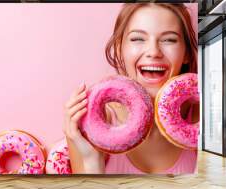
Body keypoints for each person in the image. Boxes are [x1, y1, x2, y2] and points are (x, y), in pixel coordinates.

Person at [63, 3, 198, 174]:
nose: (153, 52)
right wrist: (92, 160)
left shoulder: (201, 118)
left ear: (186, 52)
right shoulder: (91, 123)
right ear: (120, 49)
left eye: (169, 40)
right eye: (138, 39)